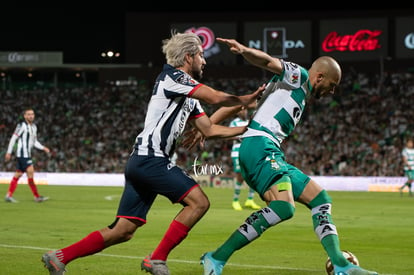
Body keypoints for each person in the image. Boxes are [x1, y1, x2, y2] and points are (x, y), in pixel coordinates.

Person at [41, 31, 264, 275]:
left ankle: (59, 257)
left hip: (143, 161)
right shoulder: (172, 76)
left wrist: (249, 129)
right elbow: (215, 97)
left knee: (123, 230)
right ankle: (156, 259)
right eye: (201, 56)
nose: (205, 61)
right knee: (199, 202)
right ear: (188, 57)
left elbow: (208, 130)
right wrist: (245, 100)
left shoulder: (188, 94)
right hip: (151, 158)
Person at [200, 38, 378, 275]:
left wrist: (208, 125)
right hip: (258, 146)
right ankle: (216, 258)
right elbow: (268, 61)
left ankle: (340, 265)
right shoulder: (300, 76)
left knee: (320, 199)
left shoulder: (288, 93)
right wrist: (244, 51)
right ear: (320, 76)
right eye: (332, 85)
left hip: (270, 150)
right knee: (284, 207)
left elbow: (241, 102)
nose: (332, 91)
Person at [4, 108, 50, 203]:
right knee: (30, 172)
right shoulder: (21, 125)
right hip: (22, 154)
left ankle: (9, 195)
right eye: (28, 114)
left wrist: (43, 148)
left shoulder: (34, 127)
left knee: (18, 174)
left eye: (32, 114)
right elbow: (13, 139)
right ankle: (36, 196)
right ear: (25, 116)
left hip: (27, 154)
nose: (31, 116)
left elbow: (34, 142)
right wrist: (9, 152)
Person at [228, 108, 261, 211]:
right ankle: (235, 201)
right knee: (240, 176)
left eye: (244, 110)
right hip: (237, 151)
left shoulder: (249, 122)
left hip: (249, 151)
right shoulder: (234, 122)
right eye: (240, 110)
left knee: (252, 175)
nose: (242, 112)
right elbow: (228, 135)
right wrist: (240, 137)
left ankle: (250, 200)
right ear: (237, 112)